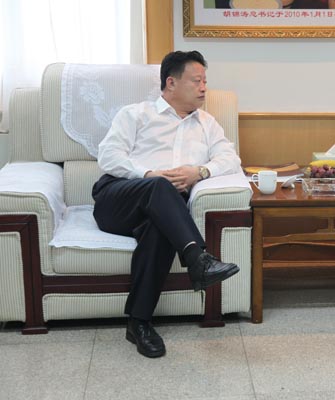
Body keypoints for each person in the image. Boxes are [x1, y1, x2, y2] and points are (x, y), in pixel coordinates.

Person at [92, 50, 241, 358]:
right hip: (119, 197)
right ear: (171, 83)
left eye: (205, 81)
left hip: (166, 209)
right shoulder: (136, 114)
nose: (204, 88)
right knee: (160, 186)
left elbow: (230, 158)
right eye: (196, 81)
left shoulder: (207, 123)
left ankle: (139, 323)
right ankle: (198, 259)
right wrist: (148, 175)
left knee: (159, 227)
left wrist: (199, 172)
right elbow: (108, 156)